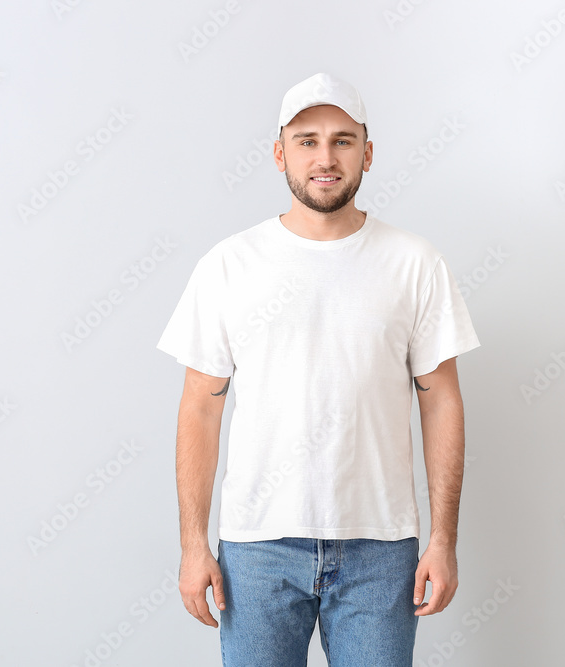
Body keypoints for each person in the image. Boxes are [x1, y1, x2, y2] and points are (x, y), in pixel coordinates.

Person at [157, 72, 480, 666]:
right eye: (306, 140)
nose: (324, 157)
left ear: (368, 152)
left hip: (381, 550)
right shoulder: (230, 265)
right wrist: (192, 545)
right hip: (257, 549)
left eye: (342, 140)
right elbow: (201, 405)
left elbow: (441, 400)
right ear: (280, 153)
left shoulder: (415, 264)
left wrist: (443, 539)